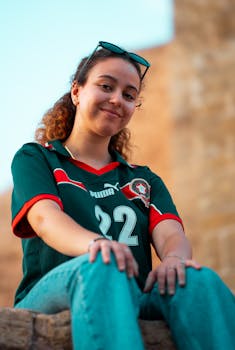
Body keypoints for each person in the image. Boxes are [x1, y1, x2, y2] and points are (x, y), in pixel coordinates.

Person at [11, 41, 235, 350]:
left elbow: (172, 234)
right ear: (77, 91)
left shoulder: (143, 179)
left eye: (129, 95)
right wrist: (96, 245)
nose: (117, 100)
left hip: (133, 294)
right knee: (102, 266)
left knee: (198, 280)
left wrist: (174, 259)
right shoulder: (37, 158)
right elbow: (45, 218)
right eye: (106, 86)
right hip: (54, 290)